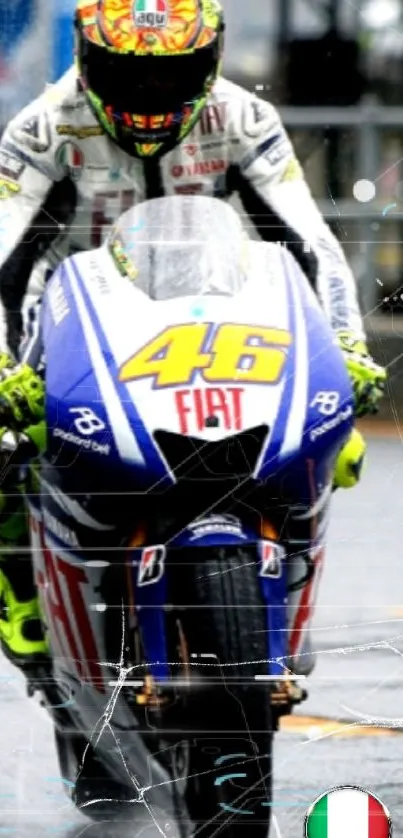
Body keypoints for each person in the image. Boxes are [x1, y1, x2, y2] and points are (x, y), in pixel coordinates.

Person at [0, 0, 385, 689]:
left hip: (207, 306)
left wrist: (348, 352)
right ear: (88, 60)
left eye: (172, 76)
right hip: (67, 318)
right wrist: (1, 369)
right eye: (127, 75)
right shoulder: (41, 130)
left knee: (332, 440)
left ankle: (281, 599)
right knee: (6, 444)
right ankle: (21, 597)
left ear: (209, 61)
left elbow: (312, 248)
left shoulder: (243, 118)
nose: (150, 98)